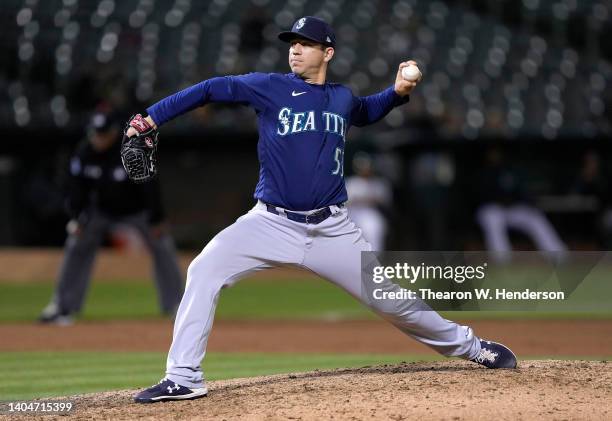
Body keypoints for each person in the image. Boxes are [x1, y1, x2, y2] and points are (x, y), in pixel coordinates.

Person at [131, 17, 517, 403]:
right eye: (292, 43)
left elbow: (365, 111)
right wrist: (152, 116)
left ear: (327, 52)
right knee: (204, 268)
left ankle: (471, 347)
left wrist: (397, 92)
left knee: (391, 299)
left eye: (306, 44)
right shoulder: (271, 87)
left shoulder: (341, 97)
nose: (295, 49)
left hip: (333, 229)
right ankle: (183, 376)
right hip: (270, 222)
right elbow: (212, 89)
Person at [39, 109, 184, 325]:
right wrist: (77, 218)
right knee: (76, 245)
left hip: (137, 211)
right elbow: (76, 190)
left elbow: (150, 188)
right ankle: (62, 306)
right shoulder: (84, 153)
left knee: (162, 245)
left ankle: (177, 306)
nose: (99, 139)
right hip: (101, 212)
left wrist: (156, 219)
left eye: (103, 134)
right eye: (96, 134)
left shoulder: (131, 150)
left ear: (114, 133)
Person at [476, 146, 567, 262]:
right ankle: (502, 260)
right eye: (492, 154)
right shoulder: (484, 172)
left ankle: (558, 255)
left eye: (497, 153)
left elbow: (521, 193)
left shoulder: (510, 170)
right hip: (492, 209)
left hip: (512, 209)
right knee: (493, 219)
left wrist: (522, 202)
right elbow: (480, 196)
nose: (495, 156)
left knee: (535, 217)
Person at [345, 152, 392, 250]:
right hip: (353, 214)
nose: (365, 170)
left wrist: (366, 199)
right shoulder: (351, 182)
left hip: (372, 213)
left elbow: (385, 201)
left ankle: (373, 261)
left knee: (374, 230)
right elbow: (345, 203)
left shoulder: (379, 183)